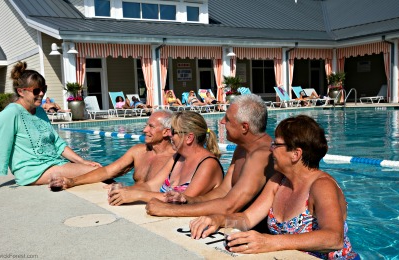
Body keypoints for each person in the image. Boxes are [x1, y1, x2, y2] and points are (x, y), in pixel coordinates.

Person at [189, 115, 359, 259]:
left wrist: (269, 242)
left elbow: (333, 238)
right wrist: (218, 219)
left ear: (295, 154)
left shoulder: (322, 186)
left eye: (276, 145)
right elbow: (247, 219)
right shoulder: (279, 181)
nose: (271, 149)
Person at [0, 61, 101, 194]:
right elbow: (1, 149)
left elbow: (56, 142)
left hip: (52, 164)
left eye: (44, 89)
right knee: (99, 172)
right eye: (36, 90)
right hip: (32, 171)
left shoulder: (40, 111)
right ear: (21, 91)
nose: (41, 93)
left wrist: (82, 161)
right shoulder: (10, 113)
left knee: (96, 167)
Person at [146, 94, 275, 228]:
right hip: (239, 223)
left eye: (228, 119)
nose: (222, 122)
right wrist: (188, 199)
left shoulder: (261, 155)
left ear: (244, 127)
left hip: (255, 230)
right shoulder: (242, 149)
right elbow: (224, 191)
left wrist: (168, 210)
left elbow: (229, 206)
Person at [108, 111, 224, 205]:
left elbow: (184, 200)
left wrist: (138, 195)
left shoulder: (208, 164)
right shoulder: (177, 157)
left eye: (173, 132)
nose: (169, 135)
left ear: (189, 137)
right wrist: (126, 190)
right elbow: (151, 185)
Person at [57, 110, 176, 189]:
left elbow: (157, 189)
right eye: (146, 125)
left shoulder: (175, 158)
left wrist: (125, 189)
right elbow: (107, 171)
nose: (145, 130)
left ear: (166, 132)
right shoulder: (139, 151)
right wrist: (72, 182)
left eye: (151, 127)